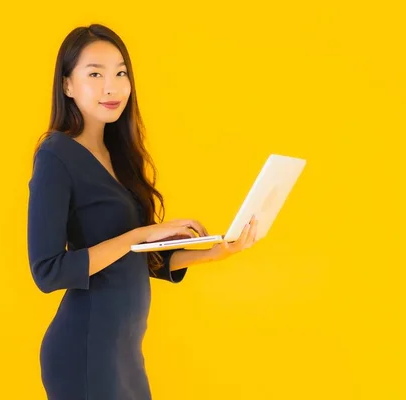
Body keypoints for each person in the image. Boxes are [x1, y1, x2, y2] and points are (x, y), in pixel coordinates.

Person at [27, 23, 258, 400]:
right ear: (67, 85)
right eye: (95, 74)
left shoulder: (120, 156)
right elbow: (48, 271)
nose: (111, 86)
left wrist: (217, 251)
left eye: (120, 73)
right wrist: (141, 234)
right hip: (85, 350)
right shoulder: (56, 155)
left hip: (124, 352)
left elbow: (138, 260)